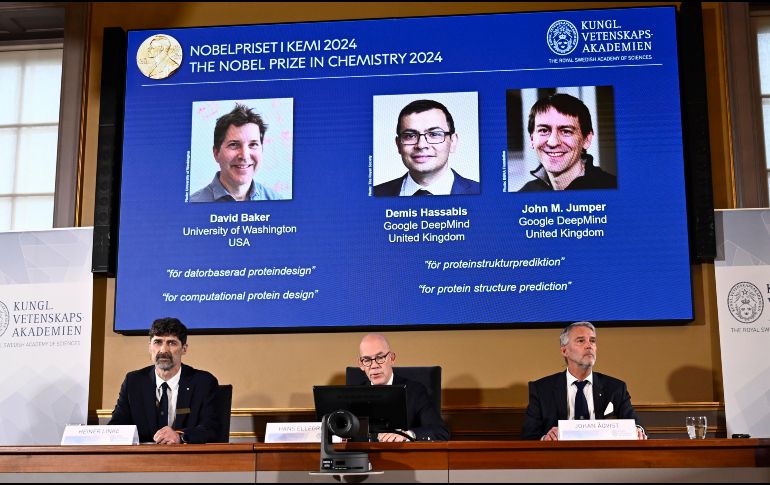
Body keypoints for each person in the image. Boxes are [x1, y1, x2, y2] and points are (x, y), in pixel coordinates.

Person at [520, 321, 646, 440]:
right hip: (559, 458)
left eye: (592, 341)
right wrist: (546, 438)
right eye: (581, 341)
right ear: (564, 351)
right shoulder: (541, 389)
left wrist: (638, 431)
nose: (589, 345)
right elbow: (528, 437)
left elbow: (636, 425)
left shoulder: (615, 388)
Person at [108, 318, 221, 444]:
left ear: (184, 349)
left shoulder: (203, 382)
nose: (163, 350)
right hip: (142, 460)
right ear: (150, 347)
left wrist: (179, 436)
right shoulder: (134, 382)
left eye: (172, 343)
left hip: (188, 459)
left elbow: (212, 429)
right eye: (157, 342)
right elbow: (117, 426)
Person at [354, 333, 450, 441]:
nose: (374, 365)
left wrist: (408, 434)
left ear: (392, 358)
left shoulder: (415, 391)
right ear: (361, 364)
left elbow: (440, 432)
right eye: (367, 360)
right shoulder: (355, 395)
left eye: (380, 357)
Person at [374, 99, 480, 196]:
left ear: (453, 142)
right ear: (398, 145)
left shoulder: (482, 193)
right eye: (410, 136)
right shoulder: (375, 194)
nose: (421, 145)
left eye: (434, 134)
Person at [519, 93, 617, 191]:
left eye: (566, 131)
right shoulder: (526, 193)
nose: (553, 142)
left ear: (586, 139)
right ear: (532, 139)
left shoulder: (612, 188)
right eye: (544, 130)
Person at [190, 103, 283, 202]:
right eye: (234, 144)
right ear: (216, 153)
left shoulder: (277, 201)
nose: (244, 156)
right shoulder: (193, 205)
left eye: (253, 144)